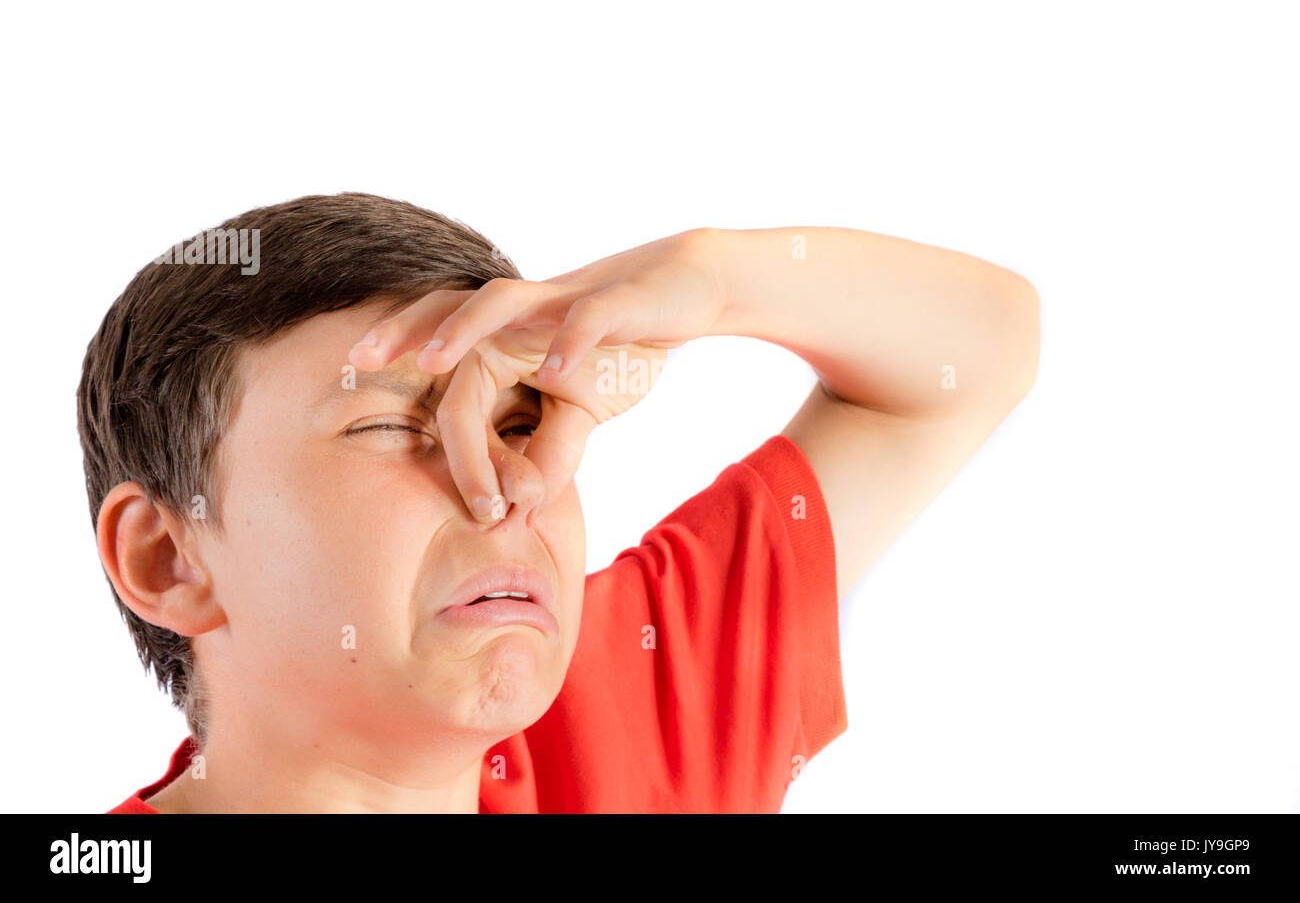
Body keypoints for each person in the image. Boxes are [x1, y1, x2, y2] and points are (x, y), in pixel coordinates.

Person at [83, 192, 1039, 812]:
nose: (506, 489)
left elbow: (979, 352)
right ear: (168, 559)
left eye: (518, 423)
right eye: (392, 429)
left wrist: (713, 279)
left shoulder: (632, 697)